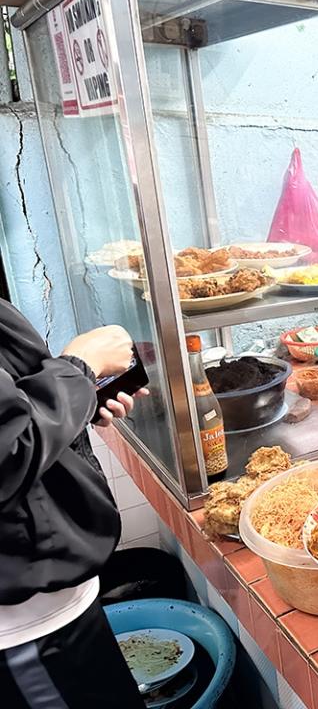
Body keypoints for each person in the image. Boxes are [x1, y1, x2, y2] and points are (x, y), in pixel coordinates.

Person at [0, 300, 148, 708]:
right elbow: (8, 455)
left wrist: (80, 400)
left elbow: (14, 413)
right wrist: (79, 367)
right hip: (23, 629)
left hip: (59, 604)